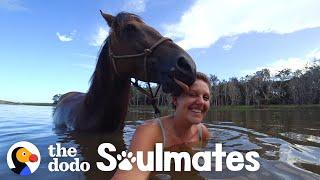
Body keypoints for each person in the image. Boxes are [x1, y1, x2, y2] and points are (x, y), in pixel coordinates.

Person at [112, 72, 211, 180]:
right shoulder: (149, 131)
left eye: (206, 98)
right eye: (192, 94)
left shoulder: (203, 133)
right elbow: (131, 172)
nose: (201, 102)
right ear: (175, 99)